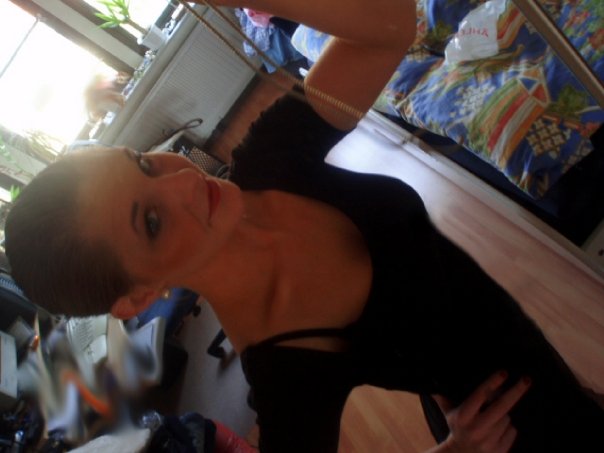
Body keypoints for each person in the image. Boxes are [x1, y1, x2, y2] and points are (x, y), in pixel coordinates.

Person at [4, 0, 603, 452]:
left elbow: (390, 28)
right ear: (138, 297)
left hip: (535, 357)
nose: (183, 180)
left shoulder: (270, 160)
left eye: (142, 163)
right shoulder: (287, 375)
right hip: (521, 428)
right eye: (152, 221)